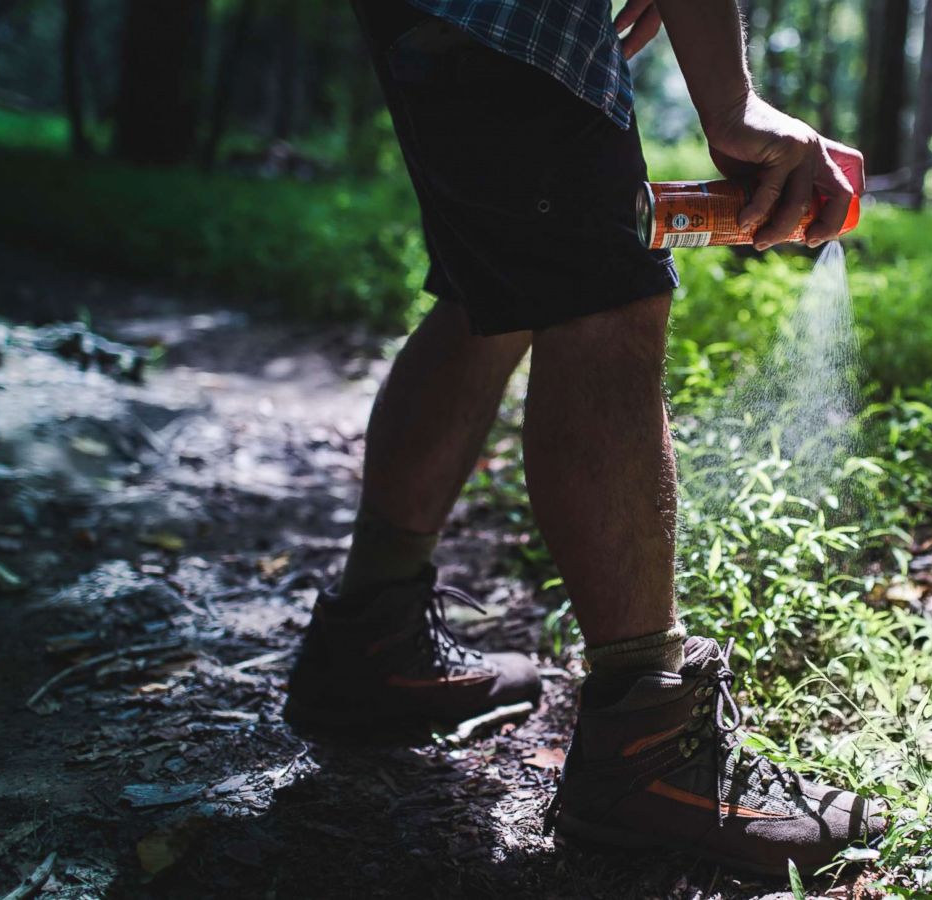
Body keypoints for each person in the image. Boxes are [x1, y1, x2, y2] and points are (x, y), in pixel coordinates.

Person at [283, 0, 883, 876]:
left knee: (492, 292)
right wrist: (733, 105)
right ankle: (649, 747)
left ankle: (372, 641)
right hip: (518, 22)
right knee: (608, 296)